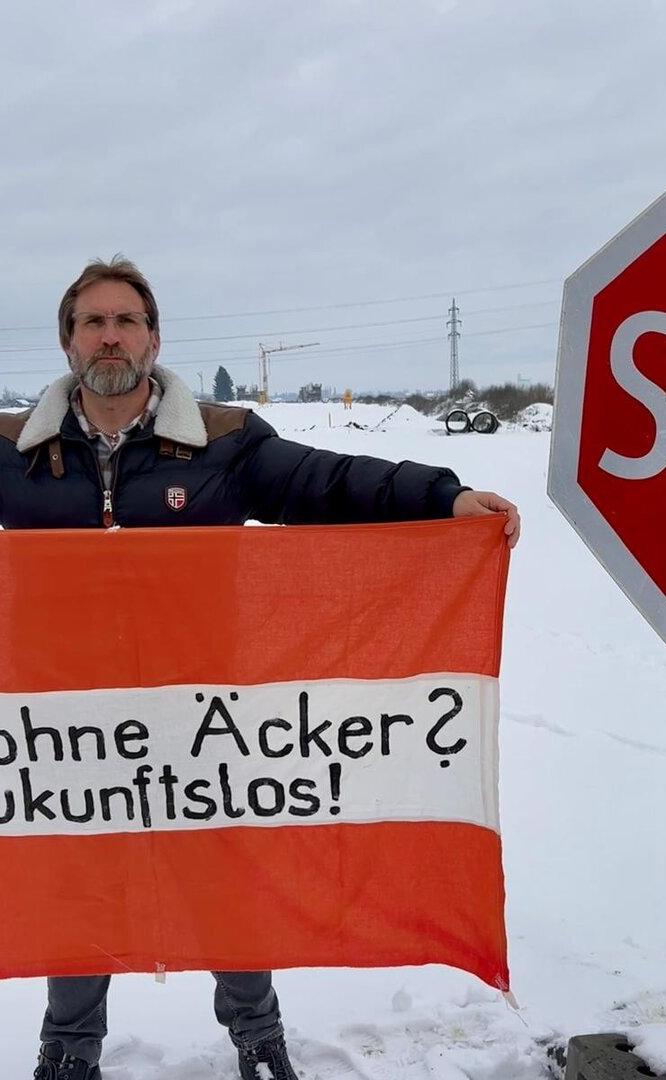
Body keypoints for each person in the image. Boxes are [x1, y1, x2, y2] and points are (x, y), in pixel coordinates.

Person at [0, 257, 519, 1080]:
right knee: (79, 874)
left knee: (220, 875)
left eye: (126, 320)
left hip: (203, 708)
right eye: (92, 321)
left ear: (154, 338)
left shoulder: (223, 441)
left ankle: (259, 1040)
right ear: (67, 343)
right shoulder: (12, 452)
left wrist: (442, 498)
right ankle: (68, 1052)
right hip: (69, 718)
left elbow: (326, 481)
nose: (110, 336)